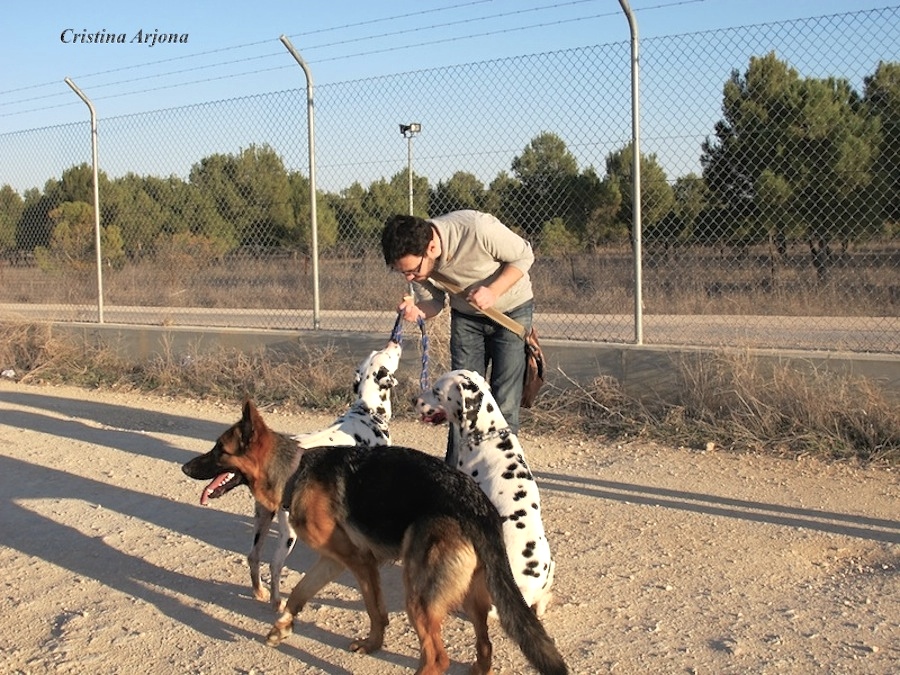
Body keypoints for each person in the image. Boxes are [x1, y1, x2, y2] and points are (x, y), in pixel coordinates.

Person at [381, 210, 535, 466]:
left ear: (431, 247)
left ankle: (504, 480)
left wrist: (493, 292)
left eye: (413, 271)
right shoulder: (420, 265)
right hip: (466, 318)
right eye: (403, 273)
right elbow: (435, 301)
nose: (410, 277)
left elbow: (524, 255)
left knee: (504, 402)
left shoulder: (477, 228)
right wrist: (418, 311)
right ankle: (455, 479)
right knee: (458, 402)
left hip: (511, 312)